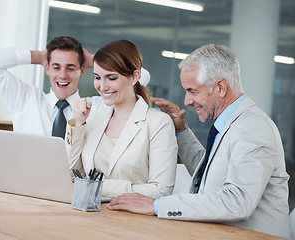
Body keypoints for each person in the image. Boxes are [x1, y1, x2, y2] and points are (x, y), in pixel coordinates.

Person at [107, 44, 290, 238]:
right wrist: (180, 130)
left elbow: (237, 202)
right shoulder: (232, 123)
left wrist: (156, 205)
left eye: (192, 91)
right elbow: (210, 175)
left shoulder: (253, 128)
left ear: (220, 87)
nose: (186, 101)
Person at [65, 40, 178, 199]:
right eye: (97, 77)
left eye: (111, 78)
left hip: (132, 219)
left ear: (134, 77)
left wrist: (98, 186)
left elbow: (161, 191)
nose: (102, 86)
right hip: (89, 215)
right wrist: (78, 124)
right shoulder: (94, 118)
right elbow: (71, 176)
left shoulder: (158, 123)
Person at [0, 36, 150, 138]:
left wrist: (94, 61)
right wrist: (39, 56)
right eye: (56, 67)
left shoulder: (98, 106)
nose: (62, 75)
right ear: (47, 68)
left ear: (82, 70)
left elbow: (142, 77)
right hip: (29, 190)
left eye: (70, 67)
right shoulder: (25, 100)